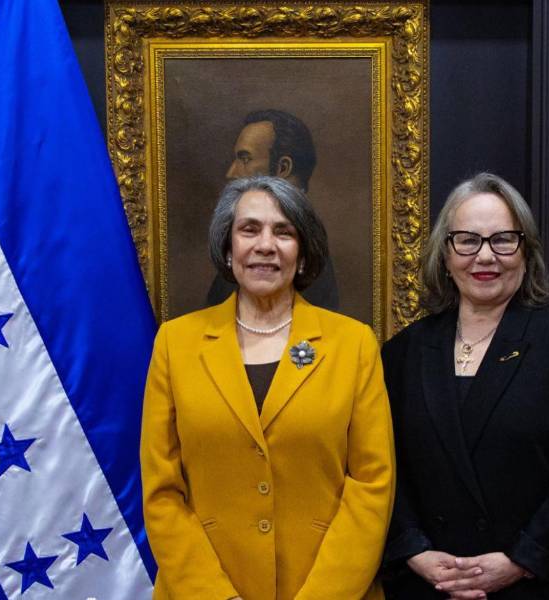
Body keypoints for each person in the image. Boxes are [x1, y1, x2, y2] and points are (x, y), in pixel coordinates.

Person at [142, 175, 395, 599]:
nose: (265, 245)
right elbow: (161, 491)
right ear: (228, 248)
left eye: (284, 231)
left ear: (303, 250)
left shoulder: (354, 345)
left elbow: (372, 486)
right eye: (249, 229)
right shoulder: (175, 343)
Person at [381, 172, 549, 600]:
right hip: (430, 584)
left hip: (541, 584)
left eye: (504, 240)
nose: (485, 257)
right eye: (467, 240)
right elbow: (376, 465)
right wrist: (412, 549)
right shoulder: (402, 352)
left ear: (526, 253)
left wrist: (520, 560)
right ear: (445, 255)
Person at [207, 109, 339, 310]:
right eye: (250, 230)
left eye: (245, 159)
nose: (231, 173)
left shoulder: (313, 273)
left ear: (283, 168)